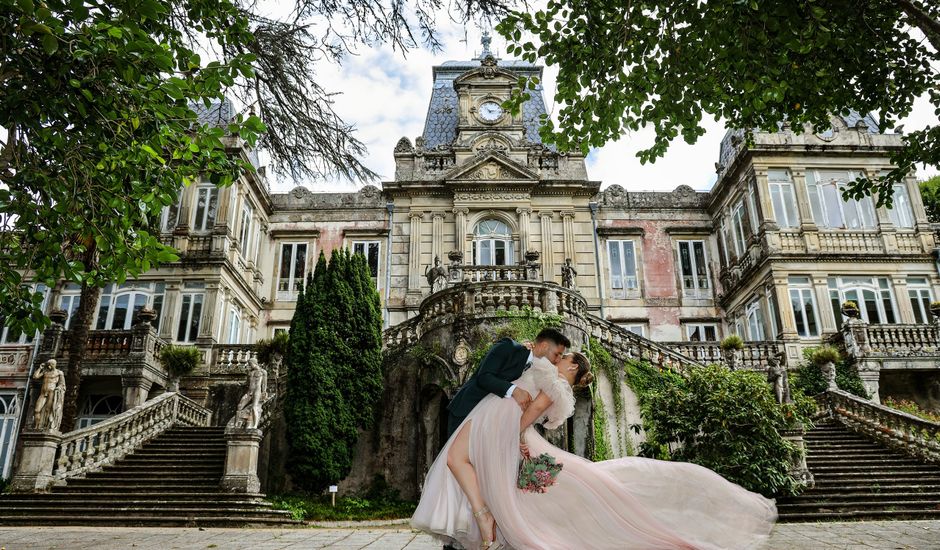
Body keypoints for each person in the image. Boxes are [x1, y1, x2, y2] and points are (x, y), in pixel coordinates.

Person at [412, 352, 777, 550]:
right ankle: (481, 519)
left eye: (565, 357)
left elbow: (533, 412)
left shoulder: (554, 383)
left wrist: (512, 435)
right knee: (481, 471)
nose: (559, 357)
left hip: (504, 427)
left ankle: (483, 520)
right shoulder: (551, 379)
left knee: (468, 465)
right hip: (502, 425)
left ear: (572, 366)